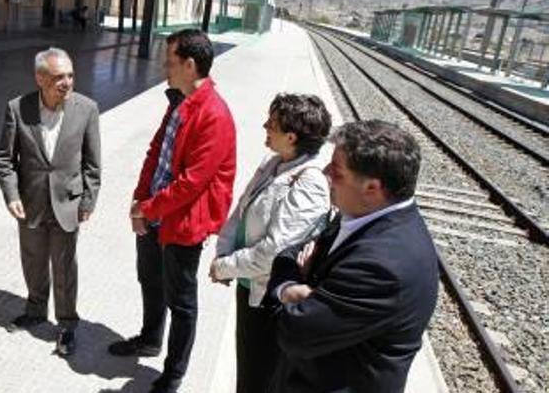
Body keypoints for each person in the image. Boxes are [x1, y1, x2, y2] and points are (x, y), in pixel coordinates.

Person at [263, 120, 438, 393]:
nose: (325, 173)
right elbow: (289, 255)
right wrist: (293, 290)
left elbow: (294, 332)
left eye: (338, 172)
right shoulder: (362, 214)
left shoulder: (383, 266)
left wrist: (288, 291)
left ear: (372, 188)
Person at [108, 29, 237, 393]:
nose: (164, 67)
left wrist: (147, 208)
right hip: (155, 212)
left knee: (181, 301)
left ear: (190, 65)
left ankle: (174, 373)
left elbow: (192, 183)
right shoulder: (179, 100)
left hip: (183, 221)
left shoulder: (213, 113)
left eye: (170, 61)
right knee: (150, 280)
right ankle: (150, 339)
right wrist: (139, 200)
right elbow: (156, 153)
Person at [210, 93, 332, 393]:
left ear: (291, 136)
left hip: (270, 301)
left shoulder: (310, 182)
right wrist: (224, 254)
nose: (265, 126)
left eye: (272, 123)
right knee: (248, 372)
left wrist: (225, 267)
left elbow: (274, 252)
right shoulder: (274, 163)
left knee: (260, 378)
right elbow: (241, 211)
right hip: (249, 286)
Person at [0, 47, 101, 356]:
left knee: (65, 267)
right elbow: (4, 159)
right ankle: (35, 310)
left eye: (70, 75)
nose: (66, 82)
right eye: (58, 77)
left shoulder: (87, 109)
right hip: (30, 203)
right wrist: (11, 195)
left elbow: (93, 164)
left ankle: (67, 324)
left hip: (68, 203)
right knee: (33, 260)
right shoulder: (17, 108)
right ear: (40, 78)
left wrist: (88, 202)